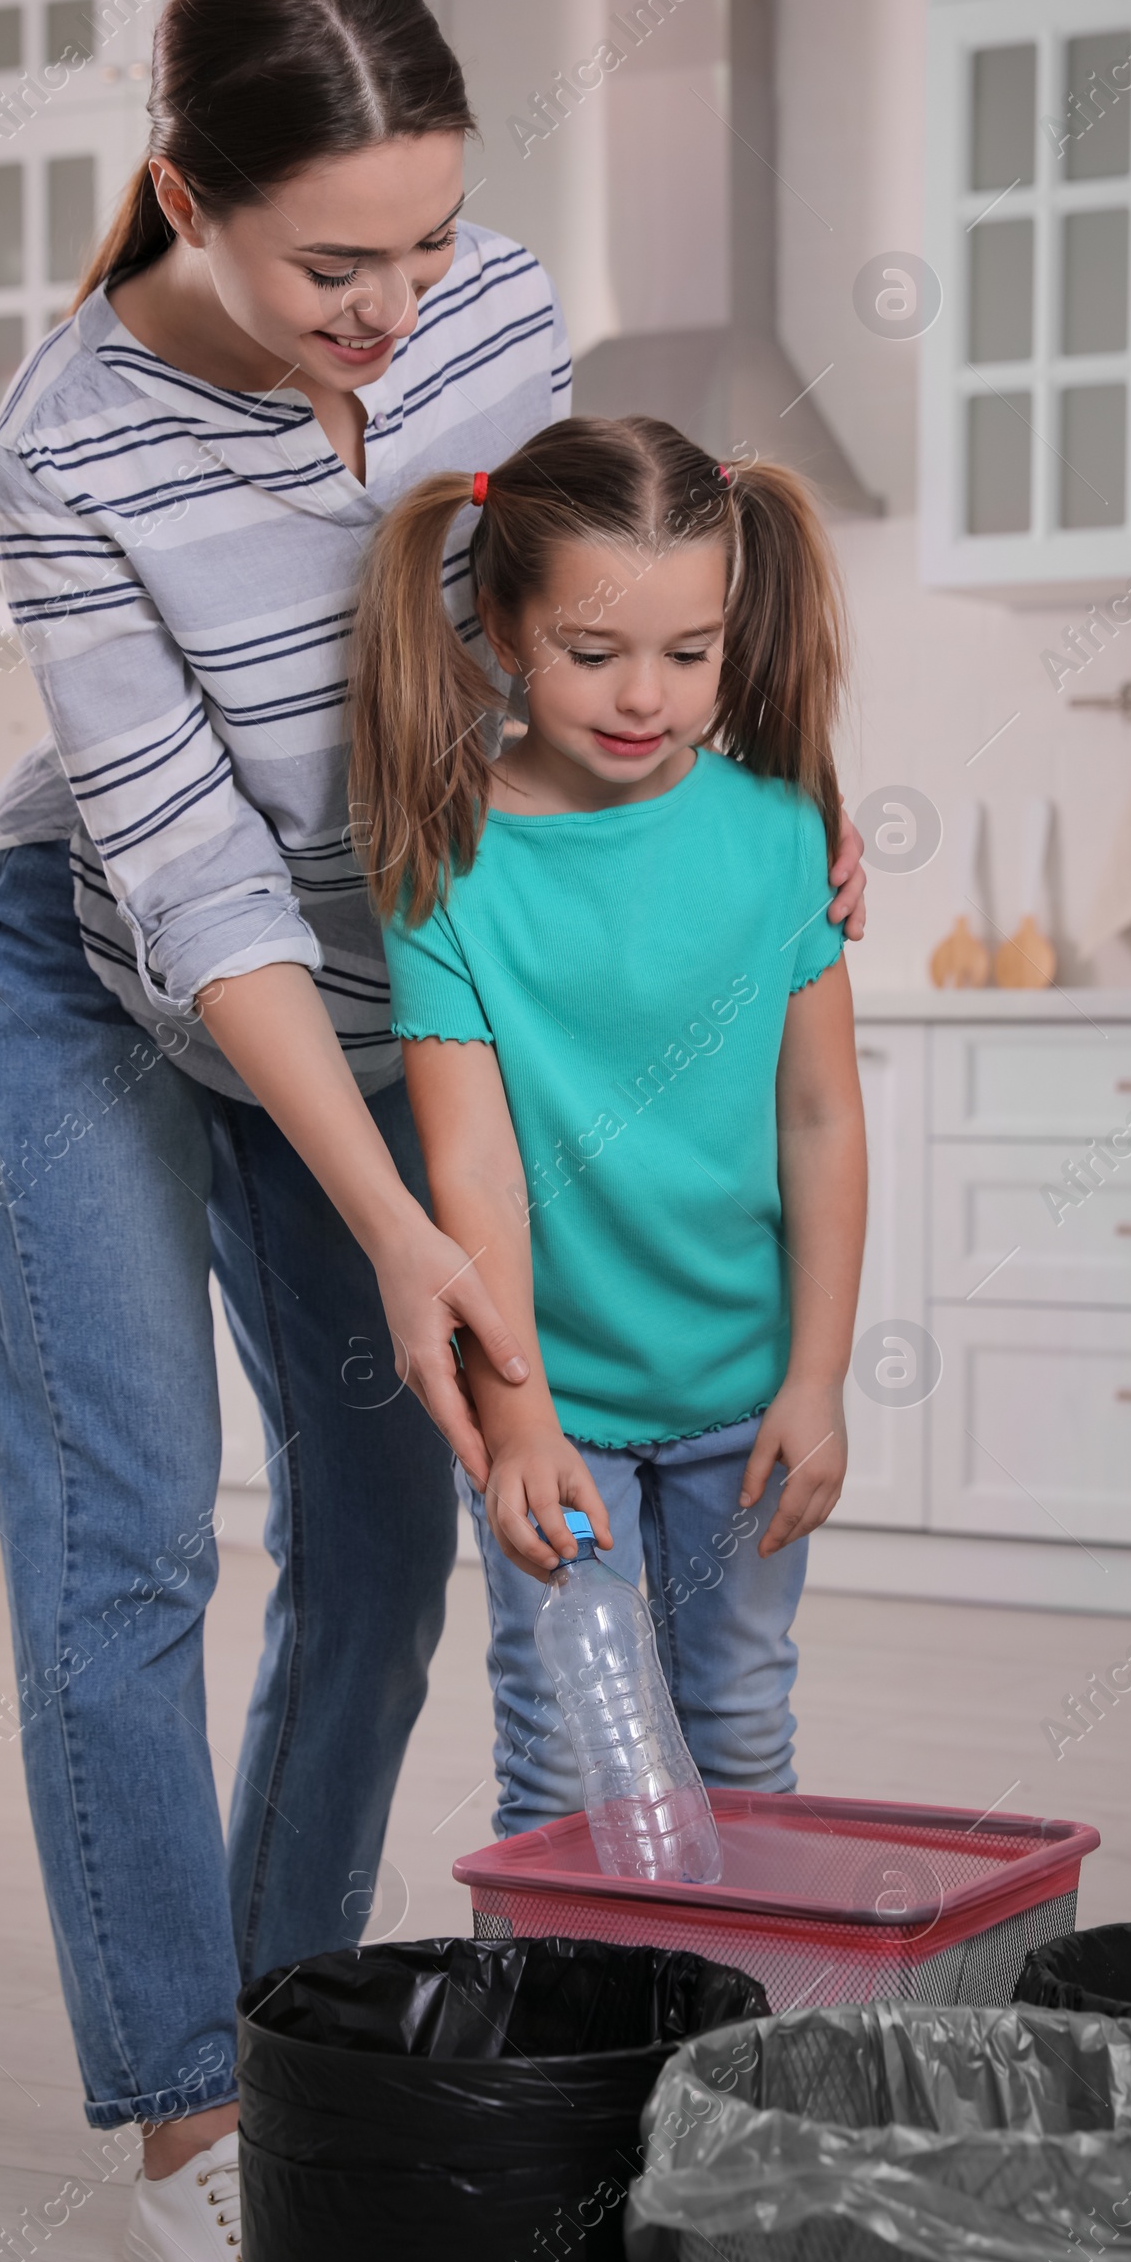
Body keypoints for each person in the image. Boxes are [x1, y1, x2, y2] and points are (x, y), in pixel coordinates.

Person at [0, 0, 867, 2262]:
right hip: (109, 976)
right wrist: (391, 1218)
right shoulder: (65, 442)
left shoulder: (491, 314)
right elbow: (190, 868)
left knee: (373, 1547)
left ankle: (298, 2025)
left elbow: (558, 655)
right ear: (183, 192)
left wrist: (748, 813)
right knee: (133, 1541)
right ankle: (185, 2123)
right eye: (330, 261)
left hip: (378, 1001)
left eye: (428, 240)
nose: (396, 305)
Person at [353, 416, 868, 1836]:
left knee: (742, 1739)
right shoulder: (448, 864)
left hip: (743, 1401)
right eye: (594, 654)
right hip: (556, 1409)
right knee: (569, 1767)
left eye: (690, 654)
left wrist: (817, 1378)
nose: (647, 696)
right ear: (506, 626)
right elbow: (470, 1158)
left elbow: (821, 1118)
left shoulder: (777, 834)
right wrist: (519, 1424)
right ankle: (581, 2061)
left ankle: (739, 2054)